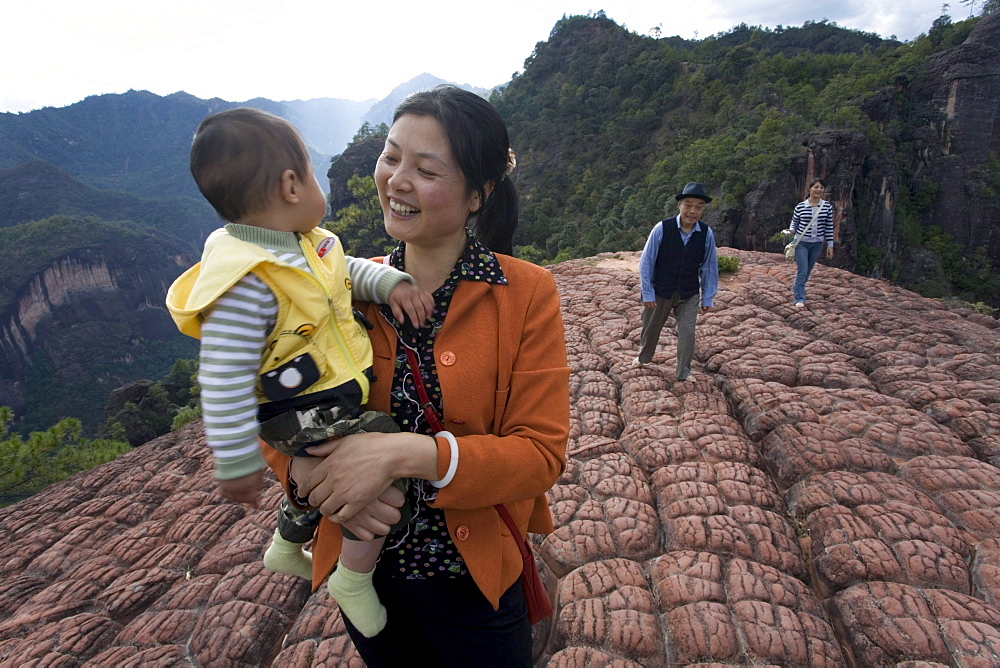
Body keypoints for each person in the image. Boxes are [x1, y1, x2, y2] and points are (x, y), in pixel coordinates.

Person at [261, 85, 570, 666]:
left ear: (478, 194)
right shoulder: (337, 286)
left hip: (475, 583)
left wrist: (402, 455)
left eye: (425, 169)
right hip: (368, 587)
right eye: (390, 155)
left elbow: (540, 455)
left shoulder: (526, 293)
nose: (396, 180)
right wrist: (303, 471)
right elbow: (274, 394)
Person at [165, 107, 434, 639]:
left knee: (339, 460)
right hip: (292, 408)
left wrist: (391, 283)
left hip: (325, 394)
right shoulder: (246, 283)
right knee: (381, 449)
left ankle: (285, 545)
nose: (318, 182)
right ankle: (353, 579)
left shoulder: (306, 241)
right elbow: (222, 377)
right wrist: (237, 460)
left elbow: (343, 270)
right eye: (312, 172)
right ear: (291, 185)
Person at [635, 181, 719, 381]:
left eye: (699, 206)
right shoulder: (662, 228)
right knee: (651, 327)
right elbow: (646, 262)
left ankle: (683, 371)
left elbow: (709, 266)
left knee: (688, 332)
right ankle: (643, 359)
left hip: (688, 292)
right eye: (688, 204)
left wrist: (708, 296)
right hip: (660, 289)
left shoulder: (706, 233)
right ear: (679, 205)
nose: (693, 211)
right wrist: (647, 293)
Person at [785, 177, 835, 307]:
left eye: (821, 188)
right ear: (810, 188)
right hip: (802, 243)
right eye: (816, 187)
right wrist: (790, 231)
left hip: (817, 243)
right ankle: (799, 298)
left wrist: (830, 245)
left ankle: (797, 287)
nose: (818, 190)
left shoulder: (826, 207)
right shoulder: (801, 206)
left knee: (808, 271)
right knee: (803, 270)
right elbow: (794, 223)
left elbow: (829, 226)